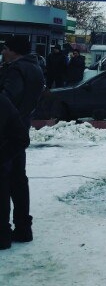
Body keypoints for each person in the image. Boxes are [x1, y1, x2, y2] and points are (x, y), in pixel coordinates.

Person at [0, 36, 45, 245]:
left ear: (15, 51)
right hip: (21, 130)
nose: (3, 52)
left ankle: (3, 233)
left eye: (6, 49)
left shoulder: (16, 70)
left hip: (6, 132)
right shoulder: (35, 68)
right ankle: (23, 228)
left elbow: (6, 101)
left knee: (4, 181)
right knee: (19, 180)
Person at [0, 93, 31, 249]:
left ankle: (4, 235)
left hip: (11, 143)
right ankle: (22, 229)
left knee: (8, 185)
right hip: (15, 139)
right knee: (18, 184)